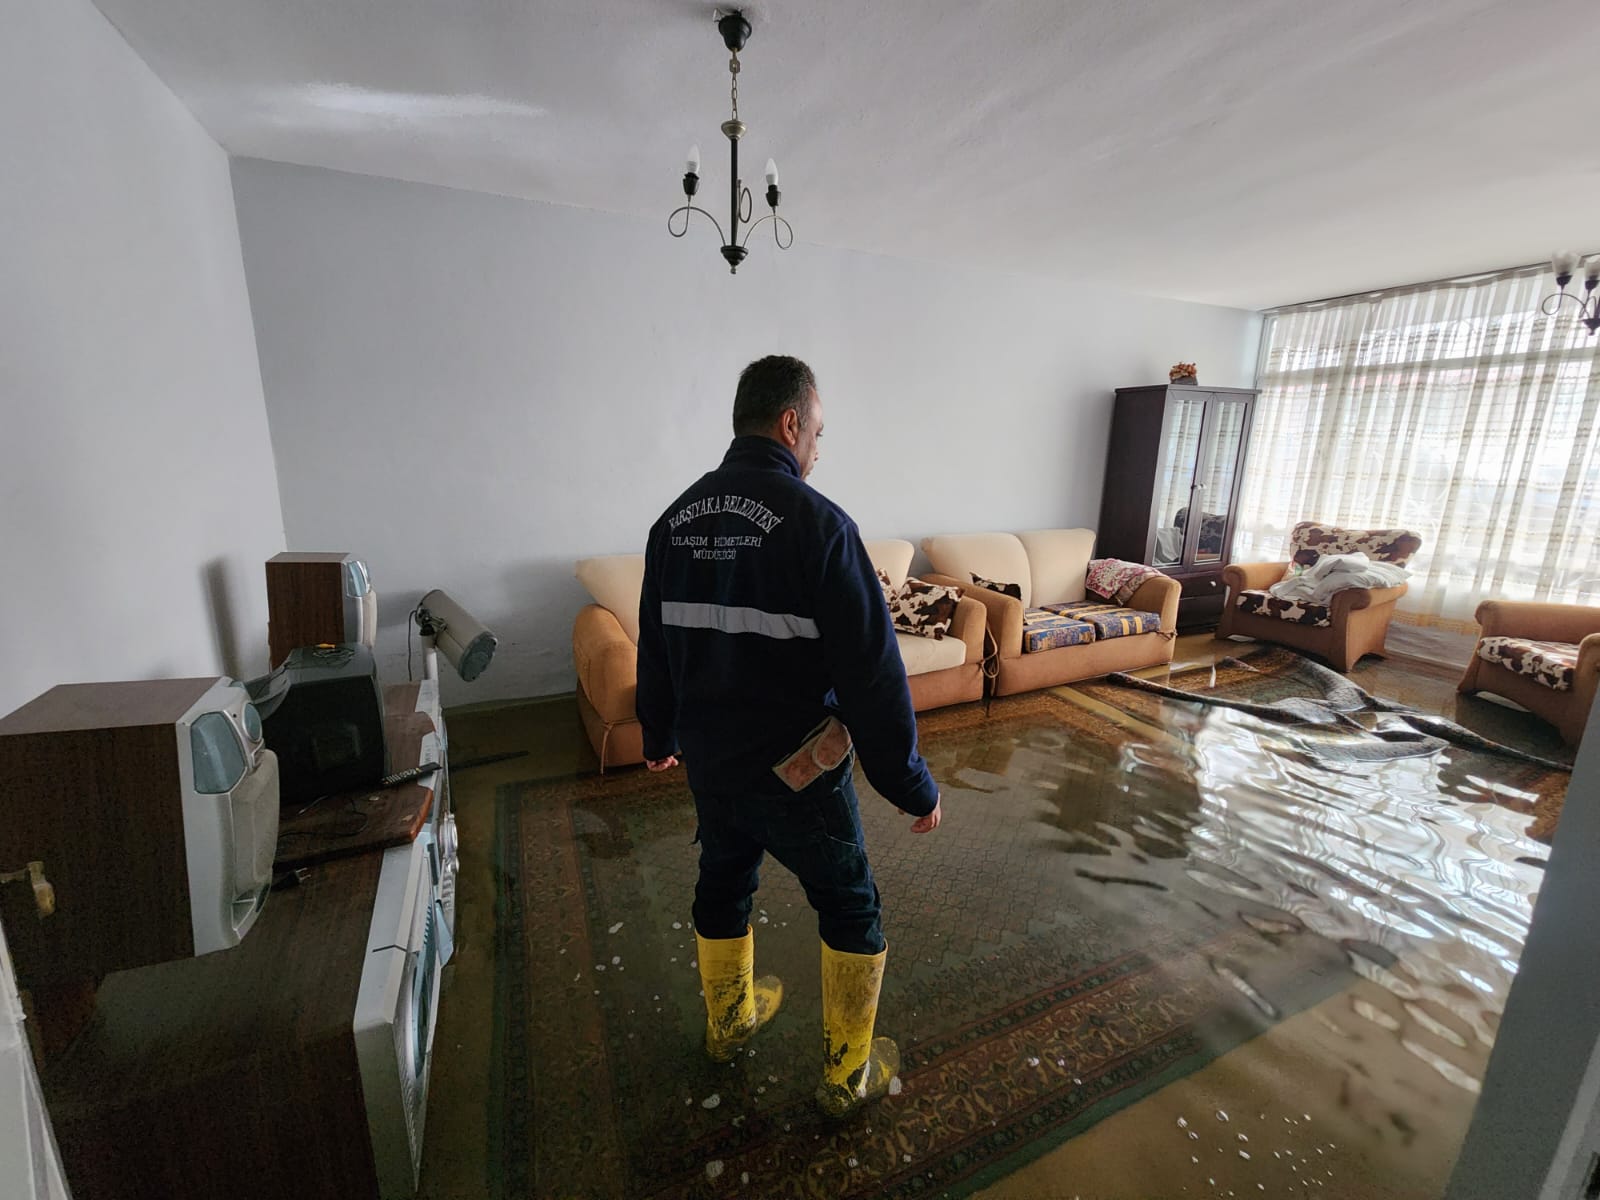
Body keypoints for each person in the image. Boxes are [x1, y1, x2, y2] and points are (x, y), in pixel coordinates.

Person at [636, 354, 942, 1119]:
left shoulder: (673, 522)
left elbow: (658, 643)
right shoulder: (822, 527)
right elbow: (875, 677)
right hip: (798, 772)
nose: (818, 448)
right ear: (790, 423)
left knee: (723, 882)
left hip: (710, 761)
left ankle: (728, 1023)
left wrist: (658, 732)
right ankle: (847, 1074)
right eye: (818, 431)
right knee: (849, 904)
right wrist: (910, 783)